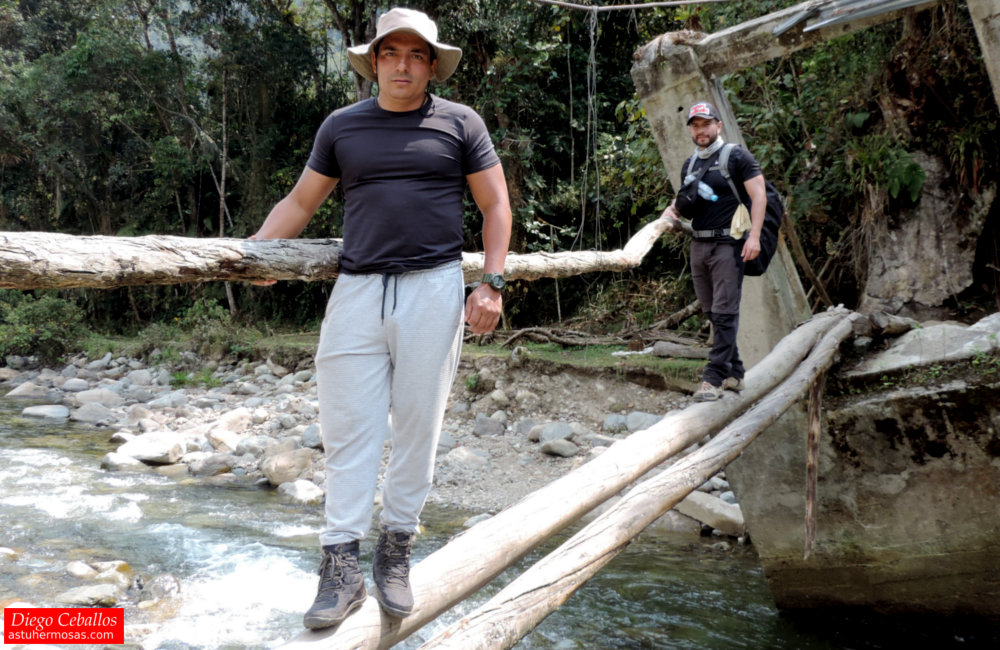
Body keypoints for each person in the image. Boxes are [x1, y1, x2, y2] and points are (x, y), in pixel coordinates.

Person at [249, 7, 511, 630]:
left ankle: (395, 555)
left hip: (434, 289)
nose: (402, 64)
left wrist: (492, 283)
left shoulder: (459, 122)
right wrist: (259, 256)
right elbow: (301, 200)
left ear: (430, 64)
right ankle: (339, 569)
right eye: (391, 53)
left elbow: (495, 203)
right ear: (373, 62)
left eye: (416, 55)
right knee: (347, 429)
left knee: (418, 425)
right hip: (358, 291)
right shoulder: (343, 126)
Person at [663, 101, 765, 402]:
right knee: (711, 311)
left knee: (724, 310)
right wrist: (668, 217)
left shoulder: (736, 157)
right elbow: (683, 203)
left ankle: (714, 378)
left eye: (706, 124)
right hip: (699, 243)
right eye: (695, 125)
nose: (701, 130)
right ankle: (735, 372)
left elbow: (759, 196)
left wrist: (754, 237)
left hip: (728, 245)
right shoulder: (690, 165)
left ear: (718, 125)